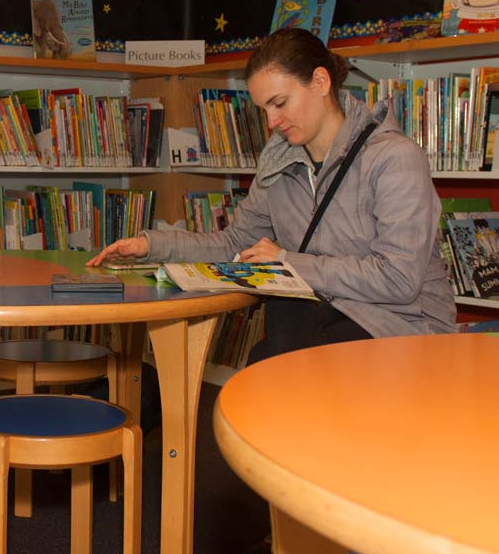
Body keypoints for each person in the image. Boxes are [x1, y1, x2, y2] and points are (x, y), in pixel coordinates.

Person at [89, 27, 456, 362]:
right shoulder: (278, 160)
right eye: (263, 109)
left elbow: (399, 279)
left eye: (280, 103)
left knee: (276, 366)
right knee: (274, 359)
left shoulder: (394, 158)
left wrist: (288, 262)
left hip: (400, 329)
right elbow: (234, 242)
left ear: (321, 82)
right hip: (320, 321)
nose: (271, 122)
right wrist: (150, 246)